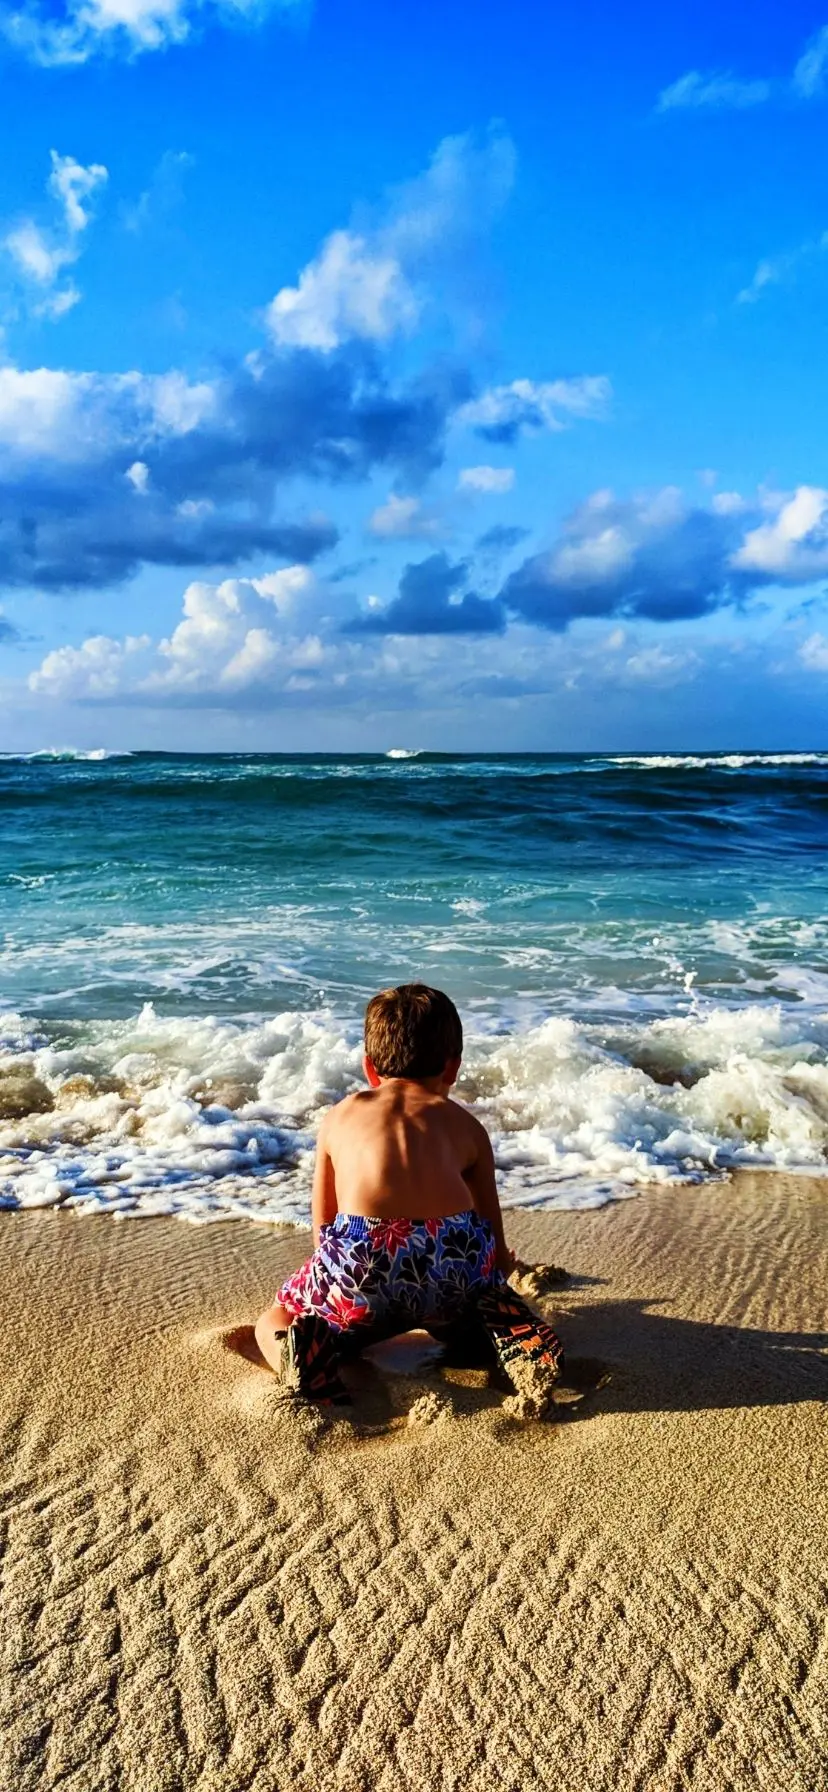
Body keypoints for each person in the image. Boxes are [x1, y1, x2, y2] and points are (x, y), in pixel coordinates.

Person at [254, 983, 563, 1405]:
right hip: (451, 1269)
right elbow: (490, 1227)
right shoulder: (466, 1126)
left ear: (368, 1067)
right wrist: (499, 1274)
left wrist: (335, 1286)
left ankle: (301, 1354)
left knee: (278, 1316)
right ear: (452, 1068)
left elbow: (324, 1226)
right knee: (471, 1315)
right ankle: (493, 1332)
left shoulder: (340, 1117)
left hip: (363, 1268)